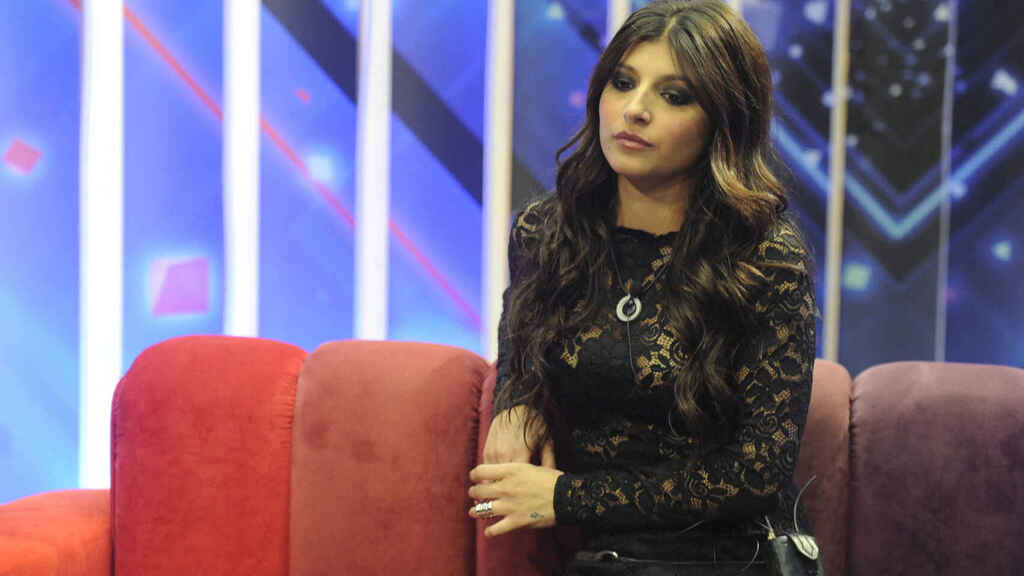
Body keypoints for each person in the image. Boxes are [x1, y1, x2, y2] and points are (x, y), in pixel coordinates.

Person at [468, 0, 818, 574]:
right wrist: (517, 400)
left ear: (722, 121)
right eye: (623, 83)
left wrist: (567, 498)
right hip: (604, 559)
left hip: (730, 558)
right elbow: (522, 340)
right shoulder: (547, 234)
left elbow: (756, 475)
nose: (634, 110)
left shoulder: (764, 258)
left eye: (674, 96)